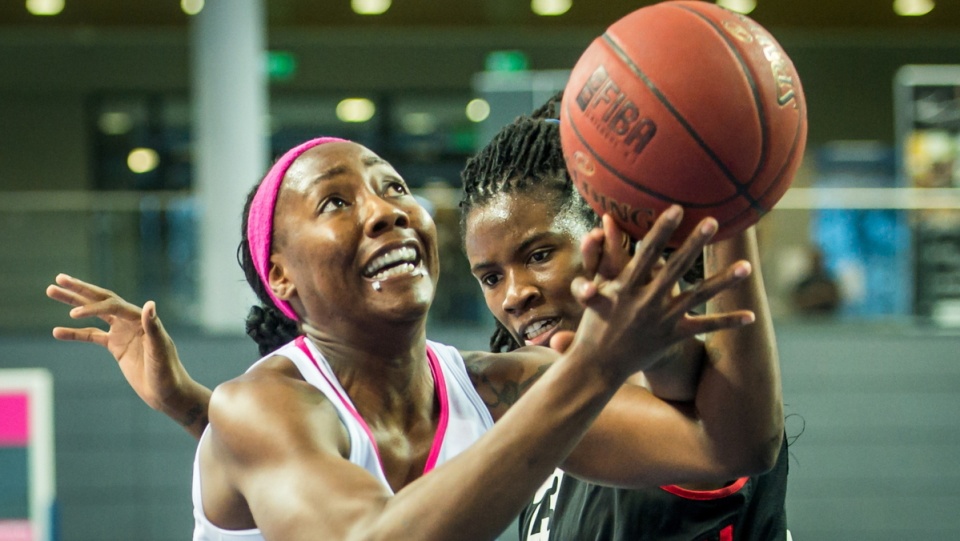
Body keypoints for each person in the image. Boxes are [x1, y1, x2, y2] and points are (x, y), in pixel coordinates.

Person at [46, 137, 781, 540]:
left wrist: (733, 212)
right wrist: (592, 367)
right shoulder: (258, 406)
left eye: (394, 188)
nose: (386, 212)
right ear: (283, 277)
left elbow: (730, 445)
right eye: (337, 201)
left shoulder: (494, 386)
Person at [458, 101, 788, 540]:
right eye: (491, 277)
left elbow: (738, 440)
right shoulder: (549, 422)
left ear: (610, 235)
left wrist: (724, 195)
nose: (514, 295)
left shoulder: (694, 396)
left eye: (539, 255)